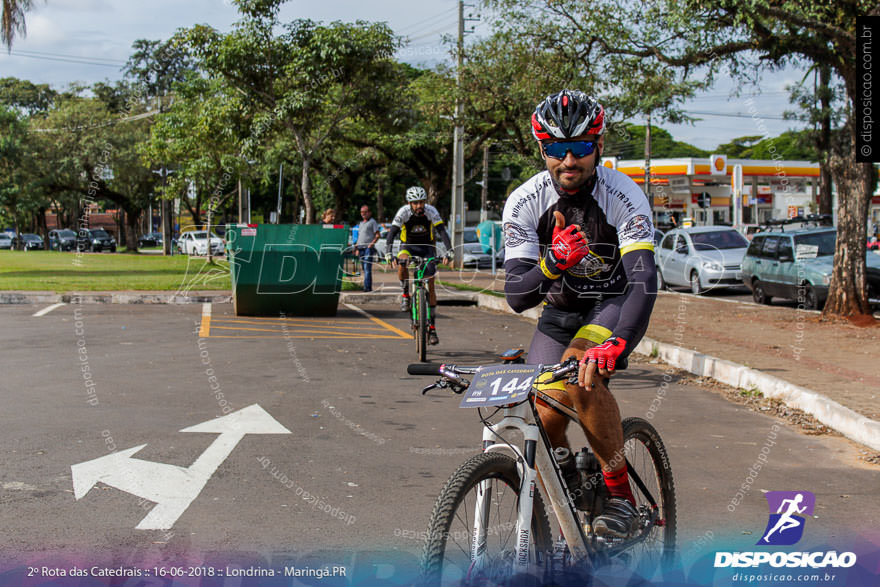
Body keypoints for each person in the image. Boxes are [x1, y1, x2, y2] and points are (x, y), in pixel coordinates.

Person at [501, 90, 658, 538]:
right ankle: (574, 486)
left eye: (581, 148)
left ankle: (621, 497)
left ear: (599, 146)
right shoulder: (525, 200)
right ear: (541, 149)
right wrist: (552, 264)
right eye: (556, 149)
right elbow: (517, 296)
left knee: (579, 374)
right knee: (542, 414)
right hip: (560, 310)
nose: (569, 160)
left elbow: (643, 280)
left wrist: (620, 341)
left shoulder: (623, 196)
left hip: (611, 302)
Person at [384, 186, 453, 345]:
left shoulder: (431, 211)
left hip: (427, 247)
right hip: (407, 246)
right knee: (402, 263)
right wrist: (388, 253)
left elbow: (442, 232)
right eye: (415, 203)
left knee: (431, 284)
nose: (419, 206)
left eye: (421, 202)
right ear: (409, 203)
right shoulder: (403, 212)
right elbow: (391, 234)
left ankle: (433, 328)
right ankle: (405, 293)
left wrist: (449, 251)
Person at [356, 205, 381, 292]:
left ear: (369, 212)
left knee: (367, 268)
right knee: (363, 268)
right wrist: (356, 247)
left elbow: (378, 235)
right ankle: (366, 285)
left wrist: (371, 244)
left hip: (368, 248)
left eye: (365, 212)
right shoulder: (361, 223)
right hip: (360, 248)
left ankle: (367, 287)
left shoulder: (372, 222)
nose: (363, 214)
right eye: (361, 212)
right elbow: (360, 236)